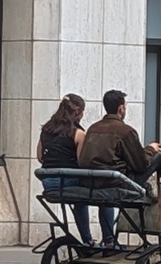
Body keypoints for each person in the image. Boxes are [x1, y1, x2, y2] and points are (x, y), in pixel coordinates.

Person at [78, 90, 161, 217]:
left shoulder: (92, 129)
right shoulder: (126, 132)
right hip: (117, 184)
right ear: (120, 109)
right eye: (125, 107)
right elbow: (141, 164)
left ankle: (150, 187)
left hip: (92, 183)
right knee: (158, 159)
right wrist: (151, 149)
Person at [37, 94, 114, 246]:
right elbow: (82, 162)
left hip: (48, 182)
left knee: (81, 199)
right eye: (83, 112)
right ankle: (108, 240)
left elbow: (40, 157)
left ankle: (87, 240)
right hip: (69, 180)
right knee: (106, 196)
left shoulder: (46, 130)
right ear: (77, 112)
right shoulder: (78, 134)